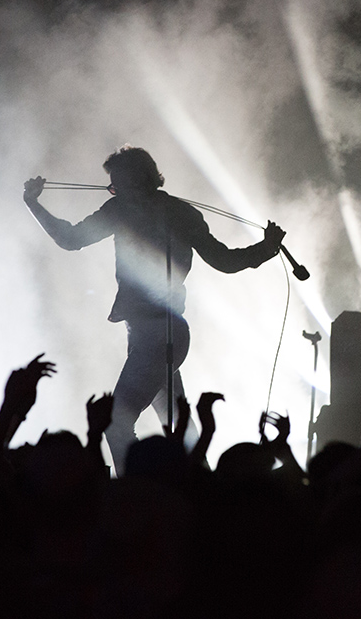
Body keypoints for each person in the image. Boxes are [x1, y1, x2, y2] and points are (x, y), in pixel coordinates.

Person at [23, 146, 286, 473]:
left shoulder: (125, 210)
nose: (113, 189)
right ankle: (201, 483)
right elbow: (225, 260)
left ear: (137, 179)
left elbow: (70, 238)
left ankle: (134, 488)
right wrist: (266, 248)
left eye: (117, 183)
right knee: (177, 424)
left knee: (117, 422)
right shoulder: (173, 212)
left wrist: (33, 203)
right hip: (159, 333)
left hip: (156, 336)